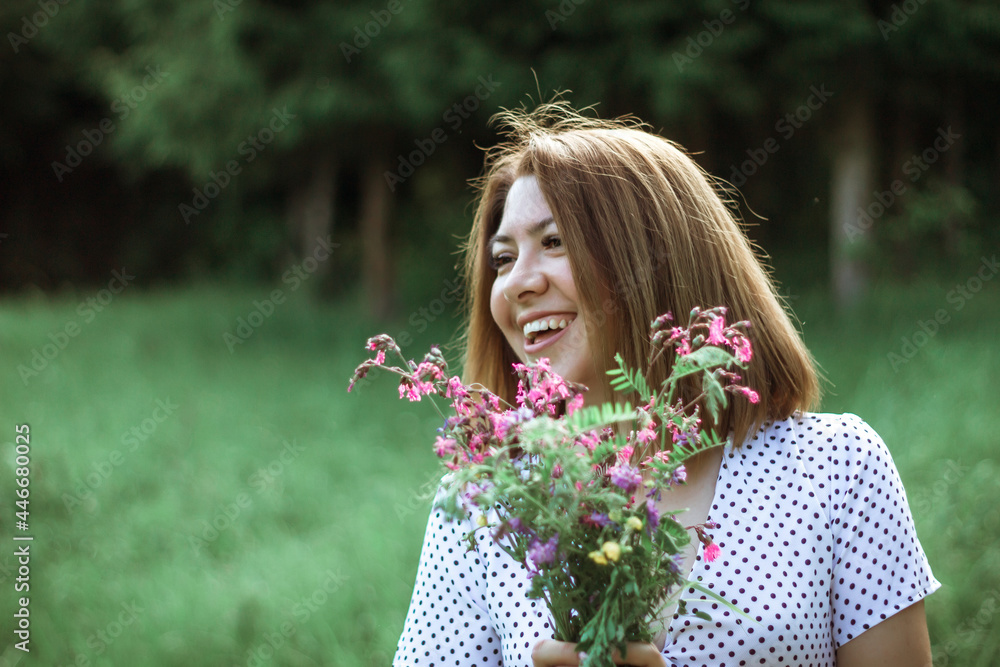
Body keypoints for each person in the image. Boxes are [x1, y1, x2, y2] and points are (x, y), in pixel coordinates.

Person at [391, 102, 940, 667]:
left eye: (554, 242)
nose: (516, 285)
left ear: (652, 258)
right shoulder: (492, 499)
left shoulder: (835, 467)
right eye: (502, 259)